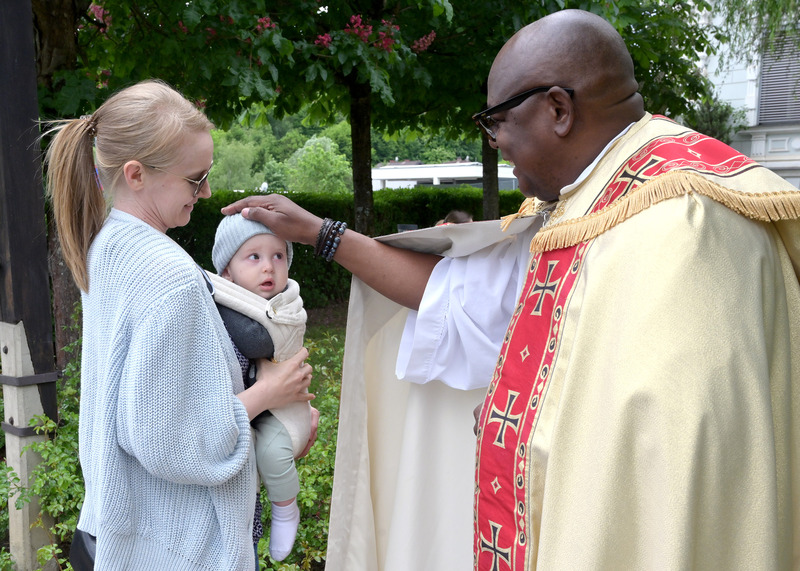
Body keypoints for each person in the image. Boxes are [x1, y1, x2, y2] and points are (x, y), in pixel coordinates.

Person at [222, 9, 800, 571]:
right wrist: (320, 233)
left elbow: (670, 448)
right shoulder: (590, 202)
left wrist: (518, 419)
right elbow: (457, 296)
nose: (494, 141)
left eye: (496, 120)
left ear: (558, 110)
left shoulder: (683, 226)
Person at [44, 79, 317, 570]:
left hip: (119, 527)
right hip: (178, 547)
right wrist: (268, 395)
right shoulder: (169, 275)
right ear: (136, 174)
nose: (206, 191)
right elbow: (169, 441)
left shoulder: (107, 245)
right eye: (196, 178)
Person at [209, 213, 311, 562]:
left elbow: (259, 341)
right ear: (227, 271)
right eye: (254, 256)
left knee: (270, 452)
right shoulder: (222, 299)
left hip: (280, 409)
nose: (269, 266)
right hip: (248, 408)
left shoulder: (286, 305)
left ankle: (285, 508)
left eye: (278, 256)